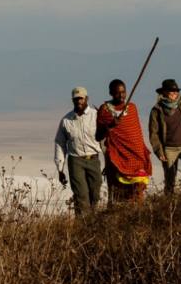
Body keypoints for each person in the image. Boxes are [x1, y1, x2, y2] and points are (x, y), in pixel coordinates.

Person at [95, 78, 152, 203]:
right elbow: (98, 136)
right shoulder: (104, 110)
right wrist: (110, 125)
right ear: (110, 93)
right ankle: (120, 216)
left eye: (123, 92)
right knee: (118, 192)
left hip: (136, 157)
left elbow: (136, 135)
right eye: (117, 93)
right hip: (117, 157)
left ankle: (138, 217)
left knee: (138, 191)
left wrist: (141, 152)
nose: (121, 96)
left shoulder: (131, 108)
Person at [54, 86, 102, 215]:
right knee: (81, 196)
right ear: (72, 101)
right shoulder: (66, 120)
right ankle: (82, 226)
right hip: (76, 160)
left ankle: (94, 222)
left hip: (93, 159)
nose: (78, 101)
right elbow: (60, 143)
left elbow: (105, 138)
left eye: (81, 98)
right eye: (76, 99)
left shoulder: (96, 116)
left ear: (86, 98)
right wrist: (60, 168)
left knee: (95, 194)